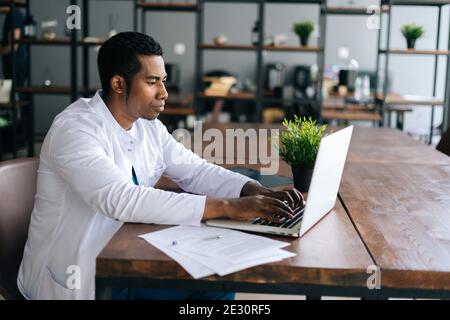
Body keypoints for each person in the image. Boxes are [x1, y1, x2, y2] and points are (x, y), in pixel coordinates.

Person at [17, 32, 304, 300]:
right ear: (118, 84)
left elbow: (194, 170)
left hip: (126, 258)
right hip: (80, 277)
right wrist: (230, 208)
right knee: (211, 292)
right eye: (153, 81)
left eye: (164, 80)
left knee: (217, 281)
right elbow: (119, 199)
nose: (164, 92)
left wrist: (252, 189)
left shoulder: (148, 127)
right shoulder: (75, 129)